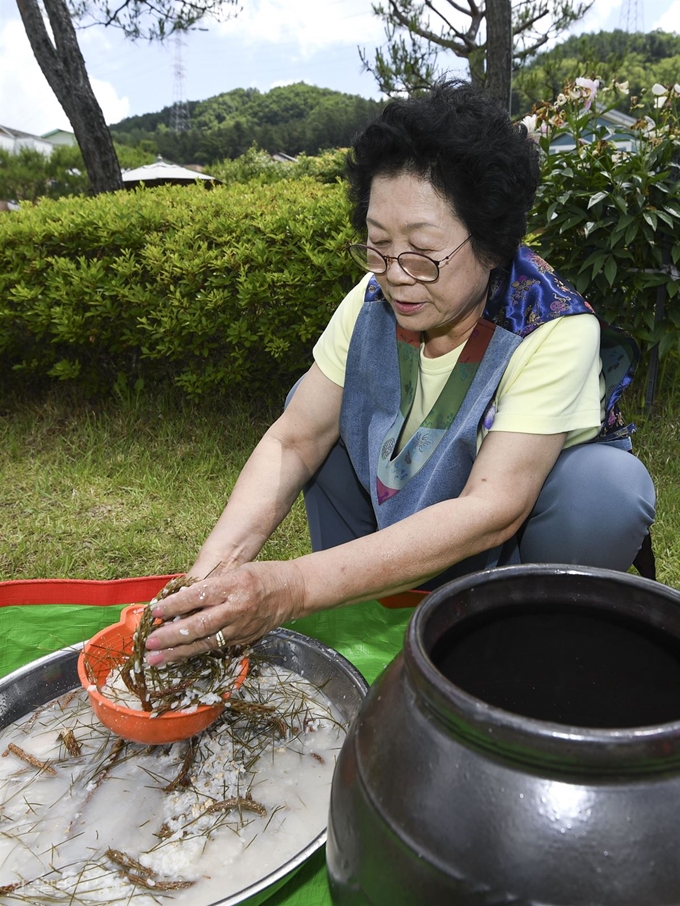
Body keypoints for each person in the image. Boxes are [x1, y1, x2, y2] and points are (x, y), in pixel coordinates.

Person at [145, 80, 655, 666]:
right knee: (309, 408)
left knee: (605, 487)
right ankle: (368, 616)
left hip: (508, 542)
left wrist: (294, 587)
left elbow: (494, 509)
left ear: (491, 244)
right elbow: (292, 441)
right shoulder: (371, 300)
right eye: (377, 244)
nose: (395, 275)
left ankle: (533, 637)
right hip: (403, 512)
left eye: (422, 251)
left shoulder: (554, 328)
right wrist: (206, 582)